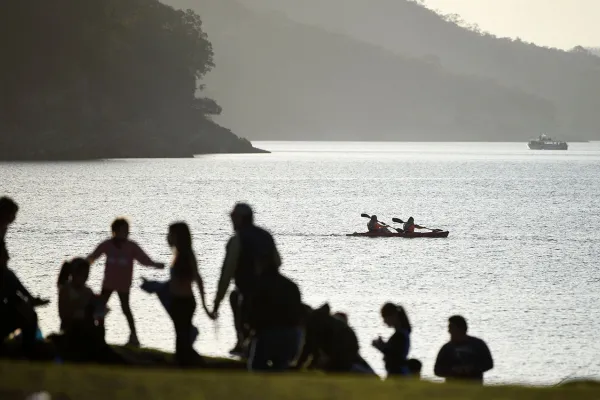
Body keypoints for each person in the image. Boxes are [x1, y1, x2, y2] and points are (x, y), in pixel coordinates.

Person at [210, 203, 282, 356]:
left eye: (233, 217)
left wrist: (217, 301)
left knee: (235, 298)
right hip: (272, 289)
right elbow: (278, 261)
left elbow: (226, 273)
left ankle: (242, 343)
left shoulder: (237, 240)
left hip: (248, 291)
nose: (231, 220)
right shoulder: (266, 235)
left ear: (240, 219)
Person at [87, 218, 164, 347]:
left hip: (123, 284)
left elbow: (143, 259)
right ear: (115, 231)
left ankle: (134, 337)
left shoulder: (131, 246)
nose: (127, 232)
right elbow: (94, 256)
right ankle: (99, 336)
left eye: (127, 229)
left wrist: (156, 265)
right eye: (123, 230)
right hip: (108, 283)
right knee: (100, 308)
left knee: (126, 308)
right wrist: (82, 264)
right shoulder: (107, 244)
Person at [56, 258, 122, 364]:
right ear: (73, 274)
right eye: (81, 275)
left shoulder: (87, 291)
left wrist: (100, 309)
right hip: (72, 329)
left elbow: (96, 310)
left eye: (86, 275)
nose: (84, 278)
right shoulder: (66, 289)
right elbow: (64, 314)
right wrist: (80, 304)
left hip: (88, 329)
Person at [167, 222, 209, 367]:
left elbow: (198, 278)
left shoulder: (186, 255)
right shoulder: (177, 254)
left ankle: (194, 363)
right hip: (177, 301)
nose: (168, 237)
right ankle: (184, 362)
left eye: (171, 234)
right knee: (181, 336)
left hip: (184, 302)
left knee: (182, 337)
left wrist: (205, 305)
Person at [246, 269, 303, 372]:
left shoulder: (258, 285)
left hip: (269, 335)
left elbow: (251, 316)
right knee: (281, 366)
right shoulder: (291, 286)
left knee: (256, 366)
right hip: (291, 336)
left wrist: (250, 335)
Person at [0, 245, 43, 359]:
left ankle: (28, 350)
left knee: (30, 315)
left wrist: (32, 301)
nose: (8, 258)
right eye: (4, 255)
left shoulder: (8, 275)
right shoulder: (7, 275)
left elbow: (23, 293)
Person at [434, 315, 494, 384]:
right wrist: (453, 370)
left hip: (474, 386)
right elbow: (437, 370)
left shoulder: (478, 344)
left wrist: (472, 369)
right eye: (449, 328)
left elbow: (489, 364)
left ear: (461, 329)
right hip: (453, 389)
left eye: (452, 328)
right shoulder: (447, 348)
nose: (449, 331)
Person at [372, 302, 412, 377]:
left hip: (398, 374)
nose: (384, 321)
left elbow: (395, 356)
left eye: (385, 318)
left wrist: (381, 347)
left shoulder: (400, 335)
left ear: (394, 316)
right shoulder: (402, 333)